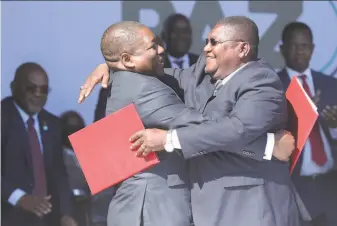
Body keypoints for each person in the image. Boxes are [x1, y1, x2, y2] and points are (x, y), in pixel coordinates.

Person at [78, 17, 305, 226]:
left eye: (214, 42)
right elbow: (203, 127)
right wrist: (267, 147)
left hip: (252, 207)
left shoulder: (261, 80)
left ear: (242, 48)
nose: (205, 48)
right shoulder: (162, 83)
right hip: (165, 208)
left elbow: (235, 129)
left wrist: (168, 139)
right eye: (206, 41)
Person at [1, 62, 77, 226]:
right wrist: (19, 197)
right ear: (14, 87)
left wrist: (66, 214)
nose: (37, 94)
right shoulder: (3, 117)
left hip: (46, 220)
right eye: (31, 88)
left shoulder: (53, 123)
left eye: (43, 90)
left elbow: (59, 175)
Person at [278, 22, 337, 226]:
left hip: (330, 185)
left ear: (312, 49)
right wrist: (302, 114)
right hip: (294, 187)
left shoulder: (331, 85)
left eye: (304, 46)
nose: (299, 51)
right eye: (294, 45)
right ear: (282, 49)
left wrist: (334, 126)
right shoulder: (273, 86)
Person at [61, 111, 90, 226]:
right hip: (68, 208)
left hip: (91, 207)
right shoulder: (55, 156)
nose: (73, 133)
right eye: (69, 129)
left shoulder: (91, 154)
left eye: (77, 129)